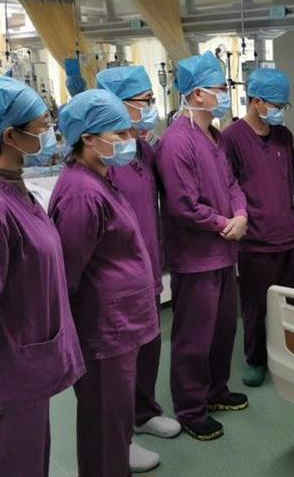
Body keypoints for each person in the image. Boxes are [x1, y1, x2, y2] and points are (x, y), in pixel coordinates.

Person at [0, 76, 85, 477]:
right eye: (41, 127)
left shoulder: (13, 187)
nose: (51, 134)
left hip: (24, 367)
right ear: (9, 136)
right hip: (4, 373)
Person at [50, 89, 160, 477]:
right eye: (120, 135)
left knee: (114, 418)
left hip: (118, 325)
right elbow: (69, 273)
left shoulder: (101, 178)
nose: (131, 141)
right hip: (103, 329)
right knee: (103, 424)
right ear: (88, 139)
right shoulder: (81, 193)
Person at [155, 52, 249, 441]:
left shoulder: (215, 136)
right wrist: (223, 223)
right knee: (194, 336)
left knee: (224, 328)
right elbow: (183, 206)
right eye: (220, 88)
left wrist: (241, 213)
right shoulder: (177, 142)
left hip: (224, 253)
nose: (226, 94)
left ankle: (216, 391)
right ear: (197, 93)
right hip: (196, 258)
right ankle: (191, 409)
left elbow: (231, 183)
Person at [97, 66, 182, 469]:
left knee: (148, 349)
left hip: (148, 269)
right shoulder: (105, 161)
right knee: (120, 366)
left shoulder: (142, 151)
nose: (151, 108)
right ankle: (120, 438)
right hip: (117, 280)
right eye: (145, 101)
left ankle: (144, 413)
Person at [221, 68, 294, 388]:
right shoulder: (232, 138)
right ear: (256, 102)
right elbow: (229, 188)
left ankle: (291, 356)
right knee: (256, 307)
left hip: (288, 235)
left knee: (292, 304)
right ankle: (256, 359)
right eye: (276, 105)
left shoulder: (285, 136)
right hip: (256, 240)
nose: (281, 111)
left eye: (284, 106)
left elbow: (287, 183)